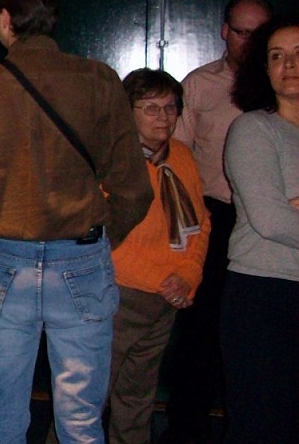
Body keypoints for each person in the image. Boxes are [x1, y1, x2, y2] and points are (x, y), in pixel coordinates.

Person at [0, 0, 151, 444]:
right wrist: (99, 239)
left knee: (1, 423)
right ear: (52, 16)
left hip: (5, 260)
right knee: (81, 424)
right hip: (82, 259)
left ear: (4, 18)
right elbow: (134, 190)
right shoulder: (98, 80)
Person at [162, 0, 271, 444]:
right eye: (241, 31)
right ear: (225, 31)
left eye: (258, 32)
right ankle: (187, 430)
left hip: (270, 222)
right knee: (199, 329)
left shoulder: (281, 84)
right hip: (215, 215)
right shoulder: (200, 85)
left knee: (259, 332)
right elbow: (175, 157)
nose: (249, 41)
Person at [106, 69, 210, 444]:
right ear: (127, 111)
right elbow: (103, 236)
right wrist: (164, 281)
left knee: (138, 399)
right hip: (119, 295)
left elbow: (201, 222)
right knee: (86, 398)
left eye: (170, 107)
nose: (163, 117)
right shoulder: (112, 159)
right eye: (151, 108)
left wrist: (189, 275)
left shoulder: (181, 156)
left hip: (166, 299)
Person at [219, 15, 299, 444]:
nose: (289, 64)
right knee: (262, 426)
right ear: (264, 70)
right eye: (277, 56)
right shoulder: (253, 129)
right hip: (264, 295)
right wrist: (286, 208)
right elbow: (271, 220)